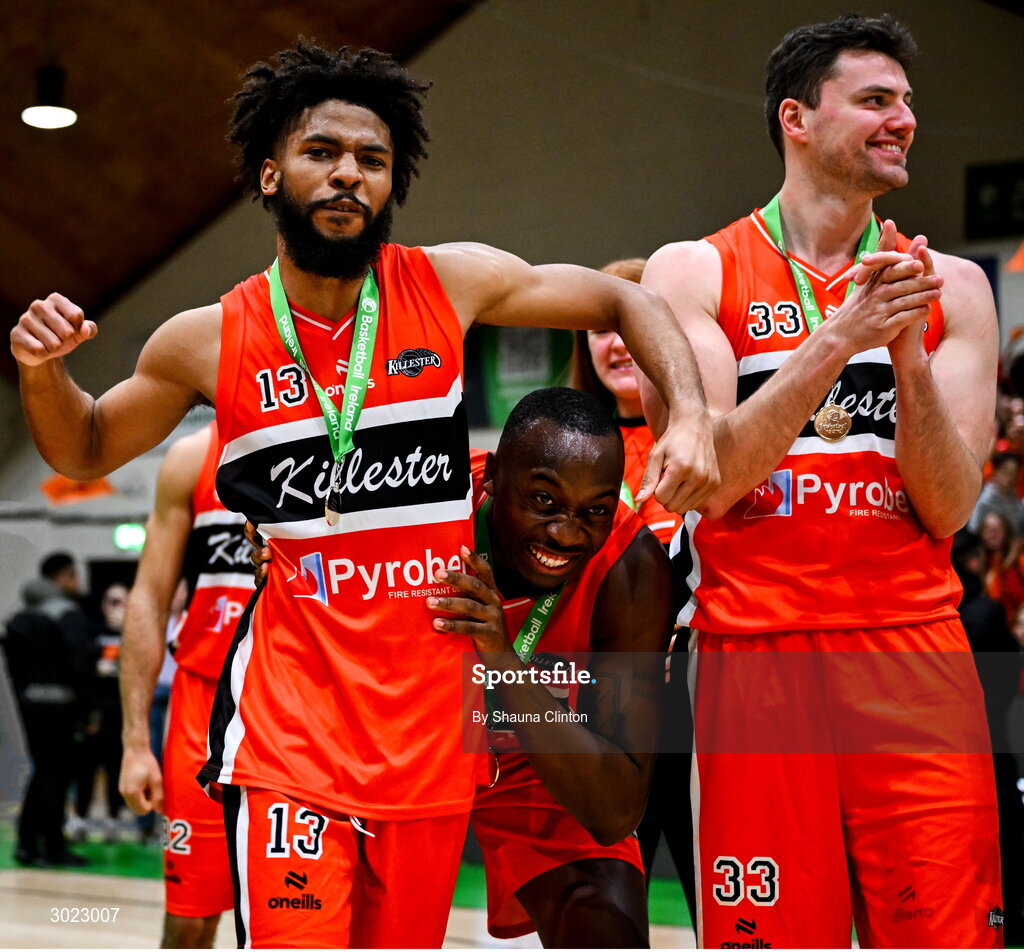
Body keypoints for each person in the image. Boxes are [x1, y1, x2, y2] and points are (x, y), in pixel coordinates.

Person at [11, 42, 715, 948]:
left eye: (372, 161)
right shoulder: (207, 338)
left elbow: (628, 304)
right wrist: (41, 373)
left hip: (427, 746)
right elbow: (89, 438)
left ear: (392, 185)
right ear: (270, 174)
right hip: (292, 739)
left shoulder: (448, 284)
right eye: (322, 152)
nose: (349, 174)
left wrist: (690, 415)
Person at [641, 13, 1001, 948]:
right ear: (796, 119)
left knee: (944, 933)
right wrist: (840, 338)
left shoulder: (953, 286)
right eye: (876, 100)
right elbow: (708, 483)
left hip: (913, 651)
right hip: (760, 652)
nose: (904, 121)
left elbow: (952, 504)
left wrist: (906, 354)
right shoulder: (695, 271)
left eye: (908, 104)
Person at [250, 387, 674, 947]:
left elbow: (615, 810)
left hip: (533, 753)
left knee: (604, 921)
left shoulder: (632, 569)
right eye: (543, 501)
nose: (567, 533)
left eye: (593, 510)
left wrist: (500, 660)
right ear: (495, 477)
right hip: (405, 741)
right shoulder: (423, 505)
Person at [570, 260, 695, 921]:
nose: (616, 342)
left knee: (722, 903)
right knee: (604, 908)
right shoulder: (563, 446)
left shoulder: (708, 436)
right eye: (599, 327)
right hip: (607, 708)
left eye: (631, 321)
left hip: (701, 703)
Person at [119, 422, 251, 948]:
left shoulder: (340, 437)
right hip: (205, 703)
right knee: (191, 918)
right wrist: (134, 742)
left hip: (300, 700)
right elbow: (148, 598)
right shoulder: (192, 458)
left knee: (298, 919)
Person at [2, 554, 94, 866]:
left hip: (30, 707)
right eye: (73, 576)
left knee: (42, 774)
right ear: (62, 577)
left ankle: (27, 844)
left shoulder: (20, 618)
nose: (77, 583)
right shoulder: (67, 614)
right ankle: (53, 847)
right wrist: (88, 711)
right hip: (63, 708)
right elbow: (81, 665)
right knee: (57, 776)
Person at [73, 582, 129, 842]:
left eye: (121, 602)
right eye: (111, 601)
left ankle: (113, 819)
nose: (115, 608)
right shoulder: (92, 632)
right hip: (95, 711)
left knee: (116, 765)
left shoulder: (135, 632)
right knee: (86, 766)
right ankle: (80, 817)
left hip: (121, 711)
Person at [970, 451, 1024, 535]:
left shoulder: (1014, 496)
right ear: (995, 471)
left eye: (1014, 473)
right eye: (1005, 471)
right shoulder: (985, 499)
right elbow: (973, 528)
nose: (1010, 477)